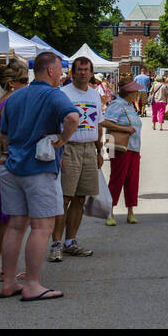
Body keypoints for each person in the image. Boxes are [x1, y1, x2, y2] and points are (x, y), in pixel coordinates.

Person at [0, 51, 80, 301]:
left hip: (13, 168)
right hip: (39, 169)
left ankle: (9, 282)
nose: (62, 75)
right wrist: (63, 139)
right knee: (42, 226)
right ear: (51, 71)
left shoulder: (15, 96)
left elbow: (4, 134)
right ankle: (32, 284)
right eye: (60, 70)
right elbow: (73, 117)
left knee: (14, 226)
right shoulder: (54, 94)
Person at [50, 56, 104, 262]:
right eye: (79, 69)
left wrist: (100, 151)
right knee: (63, 198)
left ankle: (71, 241)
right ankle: (56, 244)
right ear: (73, 72)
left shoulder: (95, 95)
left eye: (86, 69)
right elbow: (54, 124)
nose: (83, 72)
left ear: (91, 73)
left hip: (89, 149)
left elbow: (98, 125)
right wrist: (59, 152)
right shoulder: (62, 94)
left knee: (81, 198)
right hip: (68, 149)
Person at [0, 60, 29, 281]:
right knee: (11, 219)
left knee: (0, 219)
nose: (27, 84)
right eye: (24, 80)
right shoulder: (15, 100)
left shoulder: (0, 100)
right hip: (11, 159)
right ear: (12, 83)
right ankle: (7, 270)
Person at [102, 79, 143, 225]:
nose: (138, 93)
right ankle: (109, 213)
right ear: (128, 93)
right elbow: (105, 122)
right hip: (118, 147)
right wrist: (125, 129)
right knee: (117, 179)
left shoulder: (129, 106)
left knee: (132, 180)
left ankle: (130, 211)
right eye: (135, 91)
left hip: (133, 148)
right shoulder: (117, 104)